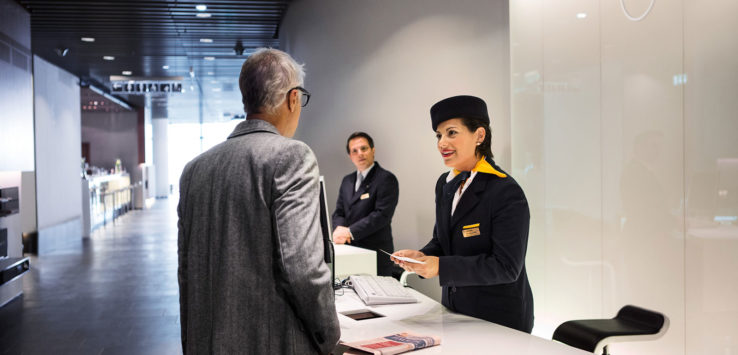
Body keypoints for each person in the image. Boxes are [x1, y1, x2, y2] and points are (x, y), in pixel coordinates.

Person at [177, 48, 340, 354]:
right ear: (293, 99)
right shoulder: (292, 156)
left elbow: (186, 272)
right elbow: (303, 266)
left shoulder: (194, 170)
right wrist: (329, 337)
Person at [392, 95, 534, 333]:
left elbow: (507, 267)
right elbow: (442, 241)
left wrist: (440, 267)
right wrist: (422, 257)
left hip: (499, 321)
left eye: (451, 133)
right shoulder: (445, 184)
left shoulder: (505, 191)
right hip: (454, 312)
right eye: (439, 135)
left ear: (479, 135)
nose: (441, 143)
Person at [331, 132, 399, 276]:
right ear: (350, 156)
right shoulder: (347, 181)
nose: (360, 154)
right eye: (354, 151)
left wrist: (349, 232)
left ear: (373, 150)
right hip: (349, 252)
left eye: (364, 148)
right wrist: (339, 230)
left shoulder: (386, 179)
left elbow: (382, 215)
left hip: (375, 253)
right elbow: (339, 211)